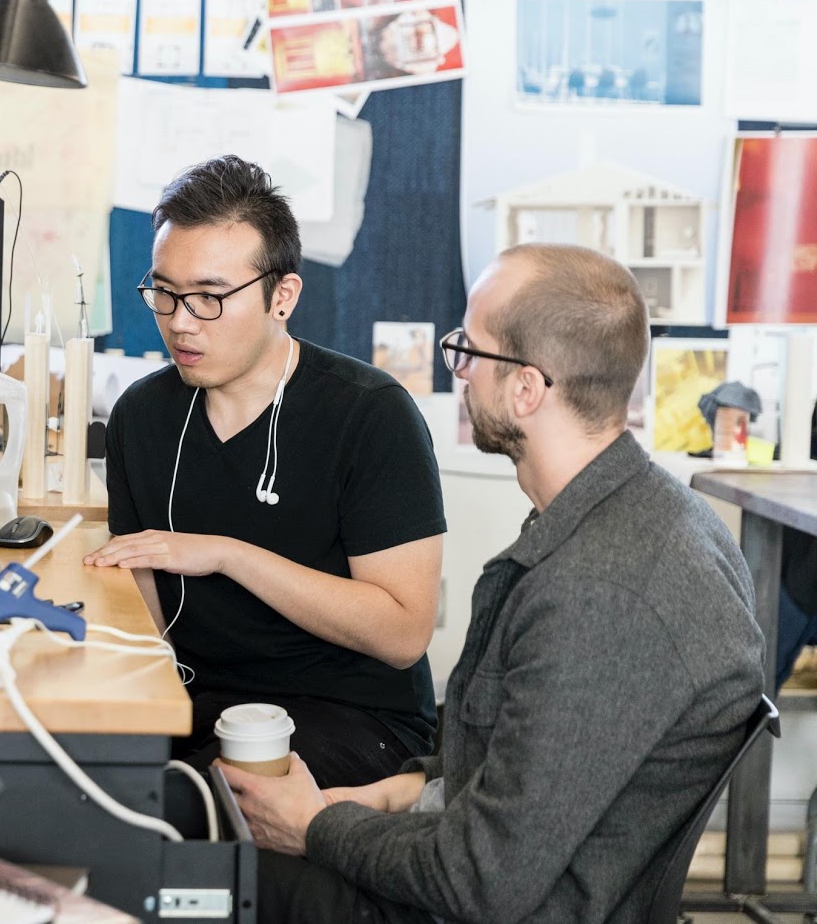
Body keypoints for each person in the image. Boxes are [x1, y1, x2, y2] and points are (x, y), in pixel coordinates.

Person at [217, 243, 764, 923]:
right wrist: (398, 791)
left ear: (526, 389)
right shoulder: (640, 520)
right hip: (502, 872)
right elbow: (524, 779)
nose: (462, 371)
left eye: (469, 350)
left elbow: (485, 882)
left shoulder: (603, 592)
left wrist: (316, 829)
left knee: (218, 878)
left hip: (492, 906)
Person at [84, 155, 445, 790]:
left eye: (210, 297)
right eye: (164, 292)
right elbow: (144, 611)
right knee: (70, 786)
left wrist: (228, 555)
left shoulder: (369, 413)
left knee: (185, 809)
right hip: (198, 707)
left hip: (352, 717)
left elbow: (403, 633)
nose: (180, 321)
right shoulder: (141, 416)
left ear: (282, 296)